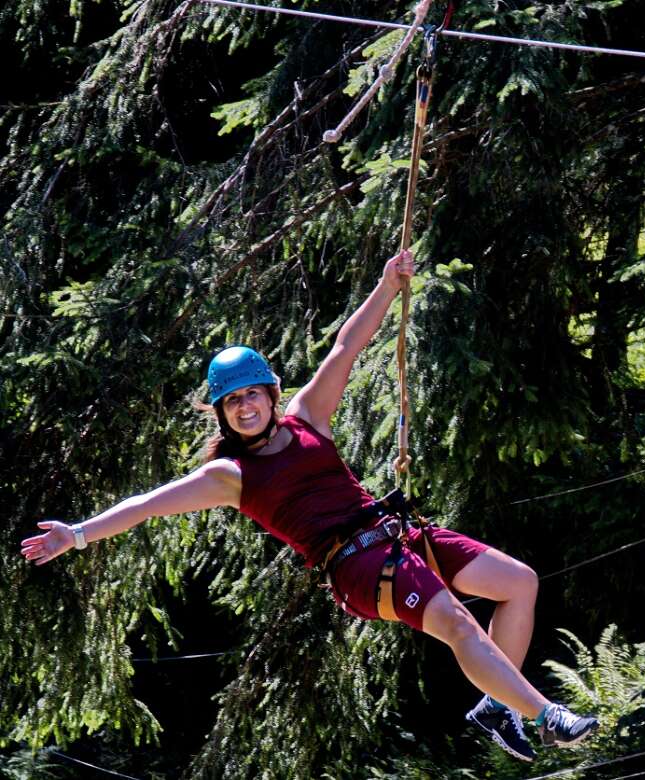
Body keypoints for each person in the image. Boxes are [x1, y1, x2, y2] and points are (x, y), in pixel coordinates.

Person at [20, 250, 598, 762]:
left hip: (396, 537)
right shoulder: (231, 476)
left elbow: (347, 346)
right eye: (232, 402)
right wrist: (76, 533)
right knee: (457, 622)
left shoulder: (307, 418)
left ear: (271, 395)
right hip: (356, 566)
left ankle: (498, 708)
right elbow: (147, 505)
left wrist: (387, 286)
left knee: (518, 582)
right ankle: (545, 714)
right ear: (220, 414)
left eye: (252, 395)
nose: (244, 408)